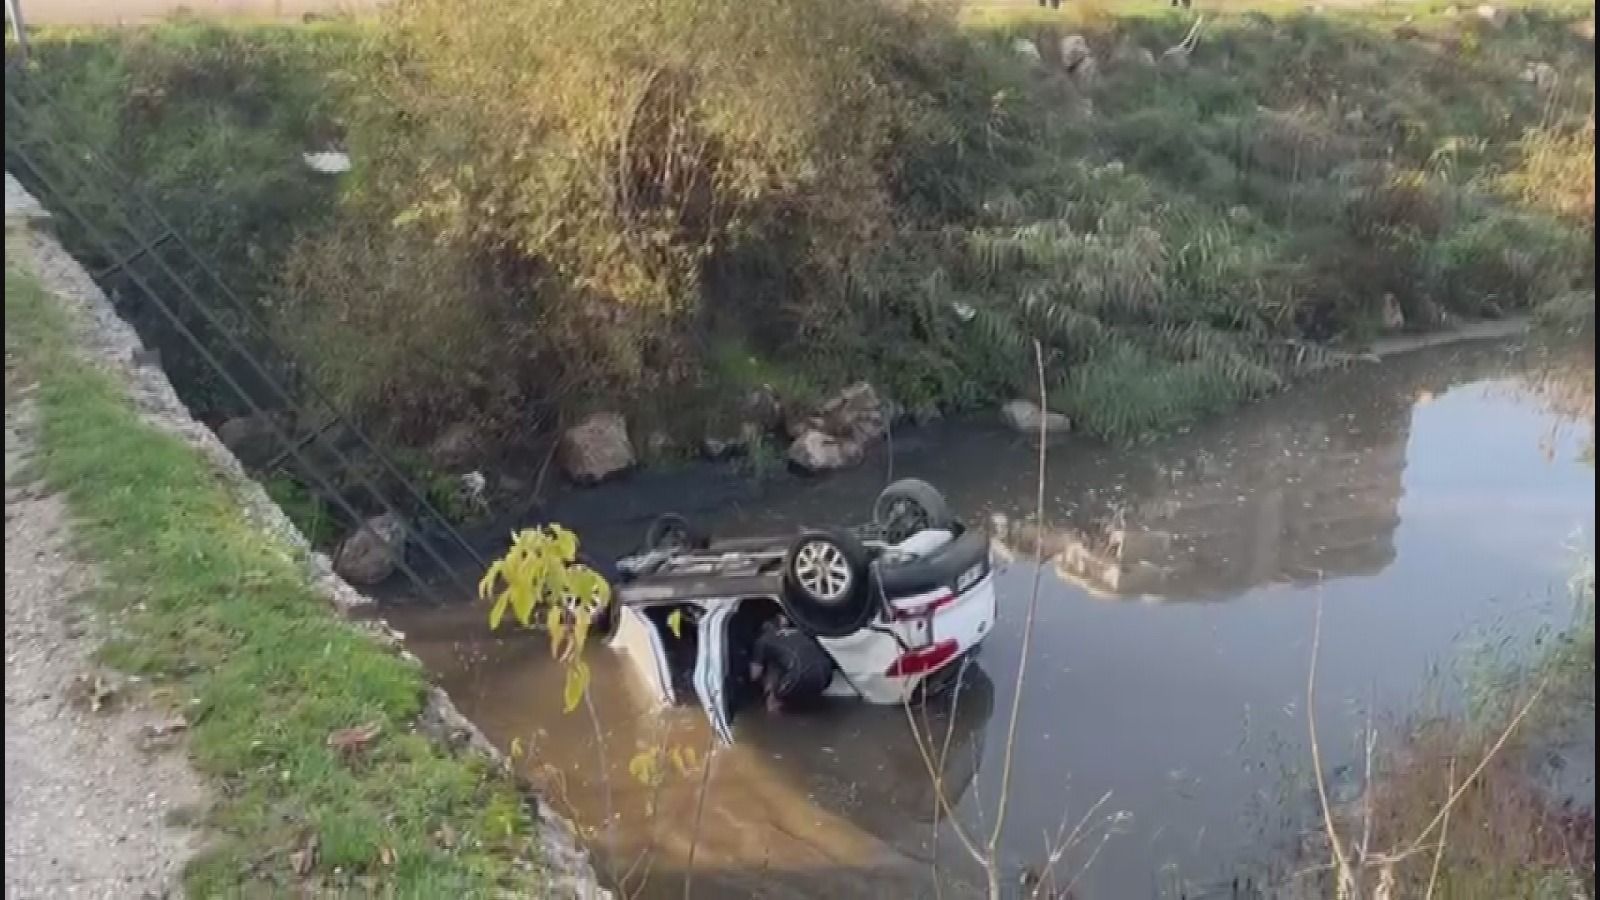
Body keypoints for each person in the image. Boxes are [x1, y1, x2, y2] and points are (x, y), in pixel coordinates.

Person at [748, 618, 833, 713]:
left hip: (799, 677)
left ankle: (774, 717)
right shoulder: (801, 631)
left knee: (773, 666)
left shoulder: (762, 640)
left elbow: (754, 675)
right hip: (826, 675)